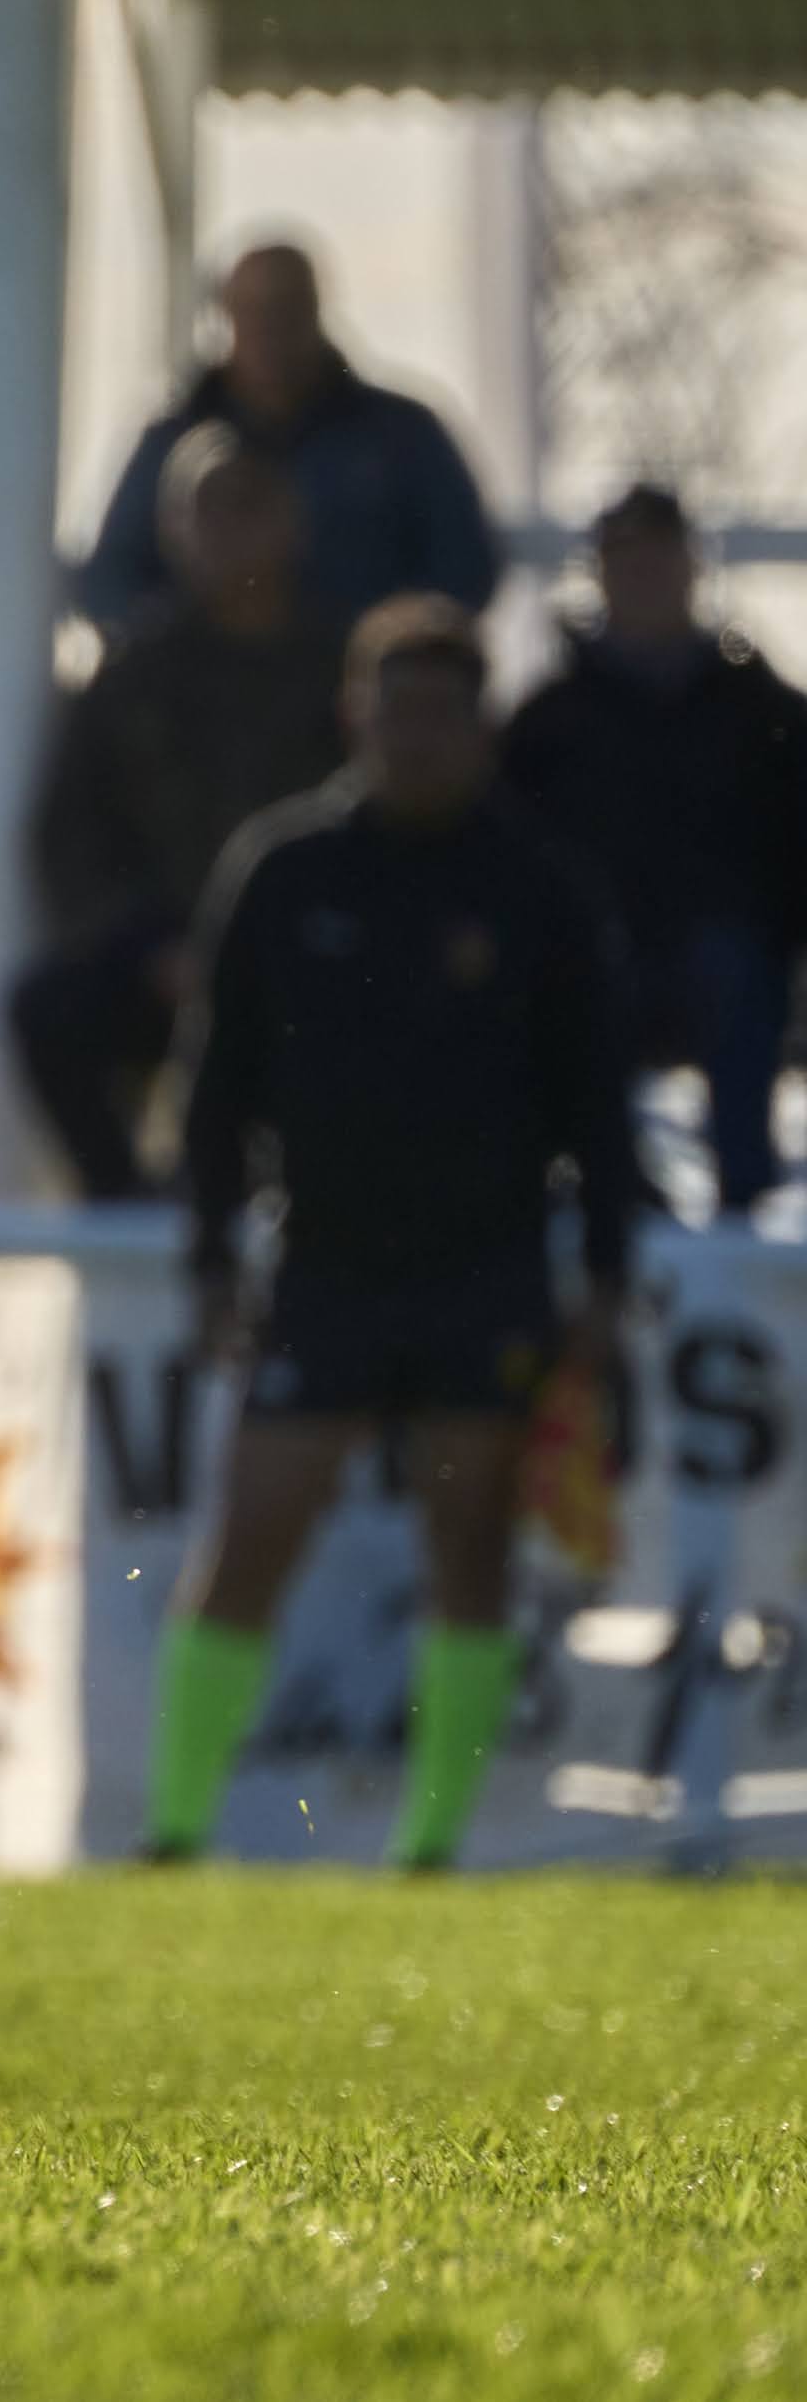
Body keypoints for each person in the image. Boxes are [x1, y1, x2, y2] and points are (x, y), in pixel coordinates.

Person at [145, 597, 636, 1872]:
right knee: (250, 1533)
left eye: (440, 711)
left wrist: (604, 1274)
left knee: (467, 1550)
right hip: (324, 1266)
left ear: (481, 724)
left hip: (485, 1271)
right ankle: (173, 1828)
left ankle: (429, 1852)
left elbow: (597, 1103)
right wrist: (209, 1256)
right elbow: (213, 1086)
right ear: (351, 713)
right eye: (393, 708)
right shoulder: (282, 867)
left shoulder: (539, 887)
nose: (414, 735)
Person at [8, 431, 351, 1202]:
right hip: (166, 958)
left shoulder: (342, 671)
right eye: (208, 512)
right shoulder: (131, 678)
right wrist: (155, 949)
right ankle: (125, 1203)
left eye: (250, 508)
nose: (230, 533)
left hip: (318, 960)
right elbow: (68, 837)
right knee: (48, 1009)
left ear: (293, 523)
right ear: (175, 531)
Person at [499, 482, 807, 1221]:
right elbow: (509, 856)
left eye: (662, 560)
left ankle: (745, 1200)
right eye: (627, 561)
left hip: (735, 955)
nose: (646, 579)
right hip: (593, 955)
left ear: (693, 568)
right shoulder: (549, 723)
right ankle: (609, 1194)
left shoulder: (762, 711)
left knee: (734, 975)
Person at [76, 242, 498, 638]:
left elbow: (466, 571)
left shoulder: (403, 436)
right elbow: (109, 582)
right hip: (203, 685)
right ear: (227, 315)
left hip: (356, 681)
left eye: (287, 308)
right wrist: (188, 647)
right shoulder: (171, 442)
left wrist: (383, 642)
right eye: (253, 310)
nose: (270, 328)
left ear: (316, 309)